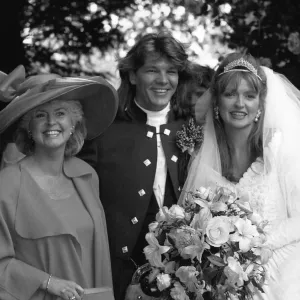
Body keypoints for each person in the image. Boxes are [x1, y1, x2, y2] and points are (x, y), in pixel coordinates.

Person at [78, 32, 194, 300]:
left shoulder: (191, 127)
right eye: (152, 70)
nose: (163, 80)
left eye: (171, 71)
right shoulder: (103, 131)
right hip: (119, 276)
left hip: (185, 275)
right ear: (132, 75)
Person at [180, 52, 300, 299]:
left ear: (260, 103)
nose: (239, 104)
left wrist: (255, 248)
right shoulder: (202, 156)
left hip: (284, 276)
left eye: (249, 95)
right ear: (217, 101)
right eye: (230, 94)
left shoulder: (278, 149)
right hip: (226, 286)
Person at [0, 66, 118, 300]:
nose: (51, 122)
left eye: (61, 113)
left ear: (74, 122)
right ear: (28, 127)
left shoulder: (86, 176)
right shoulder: (7, 183)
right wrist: (46, 282)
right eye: (40, 115)